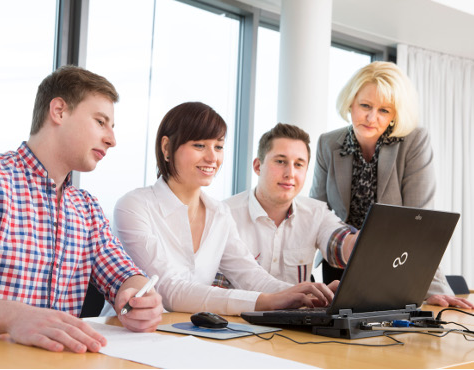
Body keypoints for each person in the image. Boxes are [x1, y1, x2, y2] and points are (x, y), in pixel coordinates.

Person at [0, 65, 164, 353]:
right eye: (101, 122)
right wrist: (13, 317)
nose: (112, 139)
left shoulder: (87, 208)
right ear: (59, 111)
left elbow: (124, 275)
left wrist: (138, 295)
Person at [113, 102, 336, 316]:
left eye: (218, 147)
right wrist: (263, 301)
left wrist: (303, 294)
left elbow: (250, 276)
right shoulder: (134, 206)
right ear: (166, 147)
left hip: (189, 335)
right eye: (199, 145)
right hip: (130, 335)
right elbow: (168, 289)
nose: (212, 157)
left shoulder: (218, 213)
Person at [309, 61, 473, 309]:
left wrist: (430, 288)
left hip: (395, 264)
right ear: (350, 102)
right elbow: (314, 214)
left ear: (396, 114)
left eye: (384, 110)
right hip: (340, 265)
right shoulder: (328, 143)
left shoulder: (414, 142)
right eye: (365, 105)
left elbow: (421, 222)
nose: (371, 117)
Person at [223, 123, 358, 286]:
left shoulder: (316, 213)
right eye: (280, 161)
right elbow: (216, 289)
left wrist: (357, 244)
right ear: (258, 166)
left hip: (298, 311)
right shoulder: (223, 215)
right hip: (235, 312)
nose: (290, 174)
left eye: (299, 164)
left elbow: (340, 243)